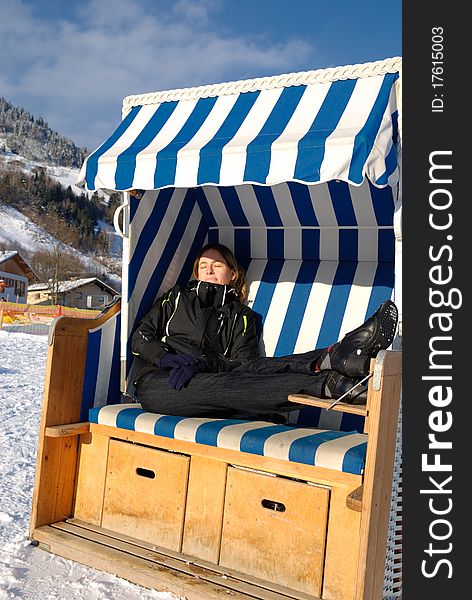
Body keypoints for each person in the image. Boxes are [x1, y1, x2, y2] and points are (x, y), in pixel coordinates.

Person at [132, 243, 398, 421]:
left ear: (233, 274)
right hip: (160, 383)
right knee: (228, 387)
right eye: (203, 265)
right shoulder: (176, 297)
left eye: (217, 265)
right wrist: (167, 359)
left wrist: (203, 364)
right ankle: (328, 380)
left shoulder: (242, 317)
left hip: (215, 383)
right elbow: (141, 336)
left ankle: (332, 359)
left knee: (247, 374)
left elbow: (245, 366)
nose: (209, 270)